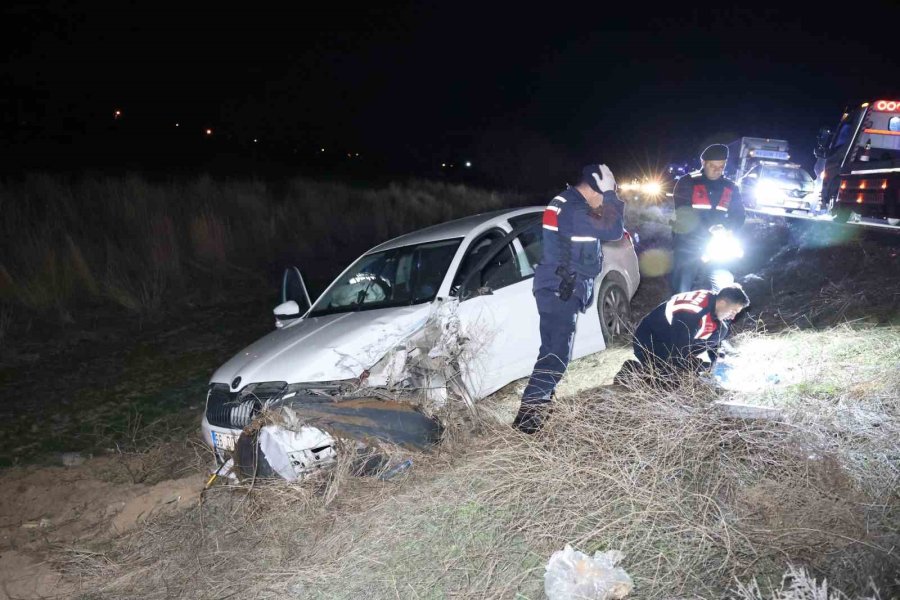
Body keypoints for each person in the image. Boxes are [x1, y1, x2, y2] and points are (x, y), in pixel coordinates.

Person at [513, 163, 625, 433]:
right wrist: (611, 196)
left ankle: (539, 407)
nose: (602, 202)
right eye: (604, 192)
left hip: (556, 288)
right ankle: (528, 421)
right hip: (559, 290)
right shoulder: (573, 209)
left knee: (551, 351)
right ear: (595, 187)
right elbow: (613, 230)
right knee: (556, 355)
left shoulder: (566, 203)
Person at [615, 284, 750, 385]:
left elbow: (709, 341)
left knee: (722, 331)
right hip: (650, 341)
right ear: (722, 302)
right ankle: (632, 370)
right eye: (733, 311)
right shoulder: (692, 314)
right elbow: (678, 353)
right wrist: (697, 369)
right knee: (670, 383)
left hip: (675, 338)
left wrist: (716, 360)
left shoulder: (713, 303)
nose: (733, 317)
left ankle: (683, 365)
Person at [670, 144, 745, 293]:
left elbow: (739, 214)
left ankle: (719, 315)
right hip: (689, 244)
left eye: (721, 166)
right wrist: (709, 228)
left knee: (723, 285)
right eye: (713, 166)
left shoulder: (730, 187)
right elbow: (683, 213)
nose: (717, 170)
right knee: (682, 287)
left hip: (717, 245)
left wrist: (728, 228)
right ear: (703, 163)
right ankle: (680, 313)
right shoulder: (687, 182)